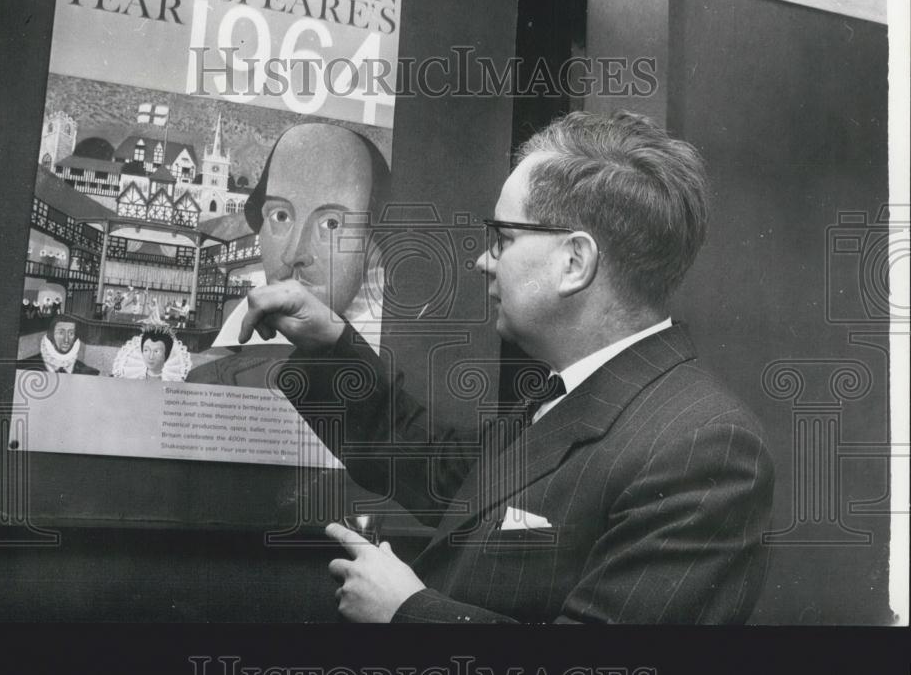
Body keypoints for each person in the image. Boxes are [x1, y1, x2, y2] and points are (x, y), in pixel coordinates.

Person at [239, 110, 775, 624]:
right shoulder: (568, 391)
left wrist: (409, 613)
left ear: (574, 262)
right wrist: (330, 341)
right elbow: (439, 469)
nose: (483, 261)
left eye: (505, 239)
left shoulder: (705, 450)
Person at [186, 122, 390, 388]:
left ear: (373, 243)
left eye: (331, 224)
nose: (294, 254)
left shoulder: (392, 369)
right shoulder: (209, 374)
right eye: (280, 216)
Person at [17, 313, 100, 375]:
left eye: (71, 333)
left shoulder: (85, 371)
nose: (66, 339)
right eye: (61, 333)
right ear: (51, 335)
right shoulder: (26, 367)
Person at [111, 321, 192, 381]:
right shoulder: (132, 375)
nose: (150, 357)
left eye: (157, 352)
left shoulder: (173, 379)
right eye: (146, 350)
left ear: (166, 355)